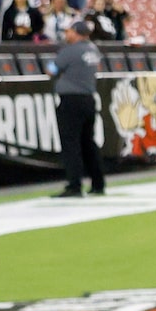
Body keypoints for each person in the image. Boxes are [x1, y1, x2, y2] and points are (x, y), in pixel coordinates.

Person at [50, 19, 106, 195]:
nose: (66, 34)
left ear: (76, 32)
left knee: (71, 144)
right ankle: (98, 183)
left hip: (71, 101)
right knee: (88, 142)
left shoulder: (70, 51)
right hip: (88, 98)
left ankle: (74, 184)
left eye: (69, 31)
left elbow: (51, 69)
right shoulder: (93, 49)